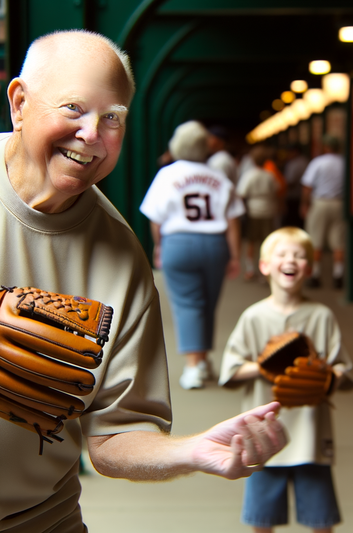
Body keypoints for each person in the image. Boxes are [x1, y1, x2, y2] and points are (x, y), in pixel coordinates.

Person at [0, 30, 287, 533]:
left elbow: (115, 436)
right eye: (72, 108)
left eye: (112, 118)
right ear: (20, 103)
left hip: (40, 519)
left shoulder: (120, 259)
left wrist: (193, 451)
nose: (91, 133)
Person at [219, 227, 353, 533]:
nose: (290, 260)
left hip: (311, 436)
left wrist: (323, 377)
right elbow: (230, 371)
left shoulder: (322, 316)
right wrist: (264, 368)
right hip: (263, 435)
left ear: (308, 268)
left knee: (321, 521)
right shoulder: (253, 317)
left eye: (299, 255)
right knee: (261, 521)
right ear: (265, 265)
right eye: (282, 254)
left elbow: (343, 370)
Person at [140, 120, 243, 390]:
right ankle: (204, 358)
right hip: (215, 244)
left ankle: (193, 366)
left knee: (188, 304)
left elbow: (155, 218)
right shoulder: (219, 177)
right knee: (208, 303)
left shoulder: (167, 175)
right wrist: (234, 255)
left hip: (179, 243)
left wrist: (159, 246)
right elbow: (233, 221)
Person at [300, 135, 346, 290]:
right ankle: (338, 274)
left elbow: (307, 186)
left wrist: (304, 204)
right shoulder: (344, 163)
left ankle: (315, 274)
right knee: (338, 241)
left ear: (325, 147)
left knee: (315, 239)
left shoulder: (318, 163)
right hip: (339, 203)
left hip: (320, 202)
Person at [237, 144, 279, 281]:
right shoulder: (270, 175)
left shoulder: (249, 175)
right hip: (268, 210)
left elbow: (241, 194)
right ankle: (265, 271)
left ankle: (250, 270)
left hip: (253, 211)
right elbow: (277, 190)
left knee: (251, 241)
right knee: (266, 242)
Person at [281, 144, 309, 228]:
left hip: (294, 196)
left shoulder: (297, 163)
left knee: (293, 221)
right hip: (298, 196)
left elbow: (290, 181)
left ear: (296, 152)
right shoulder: (304, 161)